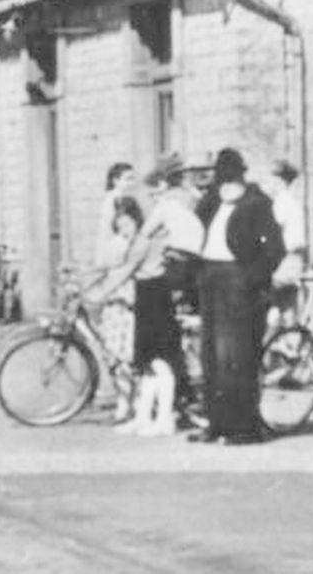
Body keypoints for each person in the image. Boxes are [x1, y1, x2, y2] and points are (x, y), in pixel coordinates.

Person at [96, 154, 200, 436]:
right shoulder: (156, 222)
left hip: (155, 292)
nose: (151, 194)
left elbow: (130, 265)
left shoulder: (158, 224)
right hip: (147, 292)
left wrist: (100, 292)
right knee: (147, 363)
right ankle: (144, 415)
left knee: (160, 360)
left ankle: (164, 418)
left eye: (154, 188)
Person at [188, 148, 284, 445]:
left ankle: (244, 427)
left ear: (242, 178)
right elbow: (193, 232)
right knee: (212, 357)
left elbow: (274, 250)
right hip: (210, 279)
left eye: (232, 179)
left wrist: (249, 279)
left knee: (237, 358)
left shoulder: (257, 205)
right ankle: (217, 423)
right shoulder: (211, 204)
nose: (226, 186)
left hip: (238, 283)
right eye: (222, 180)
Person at [95, 194, 145, 423]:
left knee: (127, 357)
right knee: (114, 357)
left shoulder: (138, 244)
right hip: (114, 307)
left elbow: (126, 273)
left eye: (128, 224)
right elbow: (105, 268)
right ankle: (124, 401)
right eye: (120, 226)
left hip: (128, 306)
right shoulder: (118, 244)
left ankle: (130, 403)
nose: (124, 230)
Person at [268, 159, 306, 328]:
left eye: (271, 179)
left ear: (278, 181)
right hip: (295, 261)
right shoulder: (292, 202)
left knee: (266, 299)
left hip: (286, 261)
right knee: (288, 307)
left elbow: (271, 233)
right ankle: (290, 345)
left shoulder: (281, 203)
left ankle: (272, 344)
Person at [95, 162, 137, 268]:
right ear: (116, 181)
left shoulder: (124, 198)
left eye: (133, 179)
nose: (132, 183)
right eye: (128, 179)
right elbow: (109, 228)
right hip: (114, 246)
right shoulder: (113, 200)